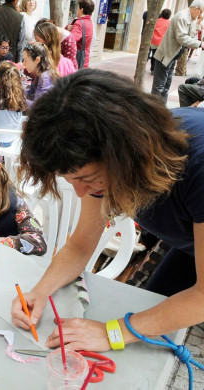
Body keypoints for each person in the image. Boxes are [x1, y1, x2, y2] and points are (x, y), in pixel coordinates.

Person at [11, 68, 204, 353]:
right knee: (151, 312)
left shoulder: (198, 166)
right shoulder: (104, 159)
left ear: (125, 155)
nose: (79, 192)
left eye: (86, 179)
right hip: (188, 238)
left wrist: (111, 332)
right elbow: (79, 246)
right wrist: (38, 293)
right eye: (70, 180)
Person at [152, 1, 204, 103]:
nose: (200, 15)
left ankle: (162, 110)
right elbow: (182, 38)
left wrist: (197, 23)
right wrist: (199, 44)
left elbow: (191, 34)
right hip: (166, 55)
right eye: (201, 12)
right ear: (196, 9)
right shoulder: (182, 17)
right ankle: (152, 112)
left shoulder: (189, 17)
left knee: (166, 85)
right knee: (159, 87)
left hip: (173, 56)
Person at [21, 43, 58, 110]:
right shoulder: (40, 74)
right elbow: (29, 92)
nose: (23, 64)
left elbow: (37, 107)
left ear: (37, 60)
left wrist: (17, 100)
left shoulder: (45, 78)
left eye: (26, 60)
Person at [65, 0, 94, 69]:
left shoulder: (79, 23)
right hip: (85, 57)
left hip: (76, 59)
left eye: (78, 8)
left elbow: (71, 40)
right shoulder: (89, 22)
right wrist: (68, 27)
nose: (77, 10)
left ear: (82, 9)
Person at [149, 9, 172, 74]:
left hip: (154, 41)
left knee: (153, 55)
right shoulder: (169, 23)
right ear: (169, 15)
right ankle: (157, 70)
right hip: (162, 43)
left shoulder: (156, 21)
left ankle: (152, 69)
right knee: (160, 57)